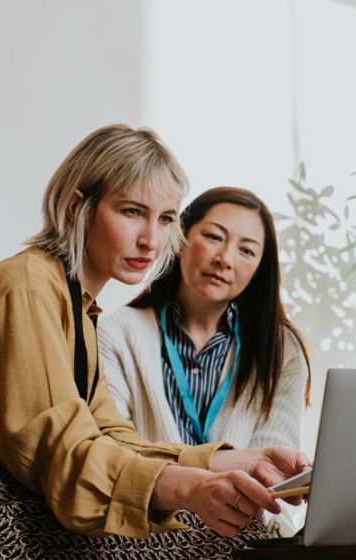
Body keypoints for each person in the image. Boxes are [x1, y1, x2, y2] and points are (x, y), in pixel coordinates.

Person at [0, 125, 308, 559]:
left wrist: (241, 462)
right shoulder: (27, 288)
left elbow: (110, 438)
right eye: (132, 212)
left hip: (2, 494)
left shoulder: (75, 304)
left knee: (234, 532)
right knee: (221, 537)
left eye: (165, 219)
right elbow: (67, 455)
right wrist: (192, 489)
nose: (151, 240)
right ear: (78, 207)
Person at [98, 187, 311, 535]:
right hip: (146, 533)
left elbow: (276, 485)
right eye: (213, 237)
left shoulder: (281, 349)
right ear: (179, 239)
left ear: (259, 268)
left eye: (246, 250)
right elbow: (112, 454)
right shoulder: (115, 333)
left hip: (243, 535)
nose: (225, 259)